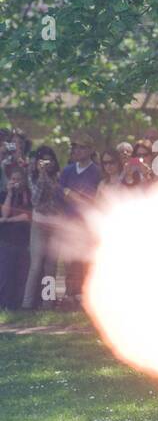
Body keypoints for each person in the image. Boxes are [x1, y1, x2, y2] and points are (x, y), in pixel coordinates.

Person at [58, 133, 101, 305]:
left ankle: (87, 297)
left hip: (87, 223)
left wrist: (76, 196)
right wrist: (67, 193)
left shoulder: (96, 171)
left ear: (90, 150)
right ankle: (71, 296)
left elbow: (95, 197)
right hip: (69, 221)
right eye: (75, 147)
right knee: (70, 261)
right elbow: (59, 191)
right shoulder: (68, 170)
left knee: (86, 261)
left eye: (82, 147)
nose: (78, 150)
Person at [23, 146, 62, 310]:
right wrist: (41, 175)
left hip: (56, 225)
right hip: (39, 225)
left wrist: (46, 176)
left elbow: (55, 195)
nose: (47, 163)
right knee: (36, 265)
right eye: (43, 159)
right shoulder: (32, 176)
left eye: (50, 159)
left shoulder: (60, 177)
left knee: (51, 266)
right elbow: (37, 200)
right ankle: (27, 304)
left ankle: (48, 304)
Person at [0, 159, 33, 308]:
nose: (15, 182)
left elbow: (27, 215)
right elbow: (4, 213)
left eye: (18, 179)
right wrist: (10, 194)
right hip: (7, 240)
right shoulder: (5, 194)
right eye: (13, 179)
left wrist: (7, 221)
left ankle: (17, 303)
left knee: (21, 273)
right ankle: (4, 303)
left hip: (23, 240)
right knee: (6, 273)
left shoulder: (29, 194)